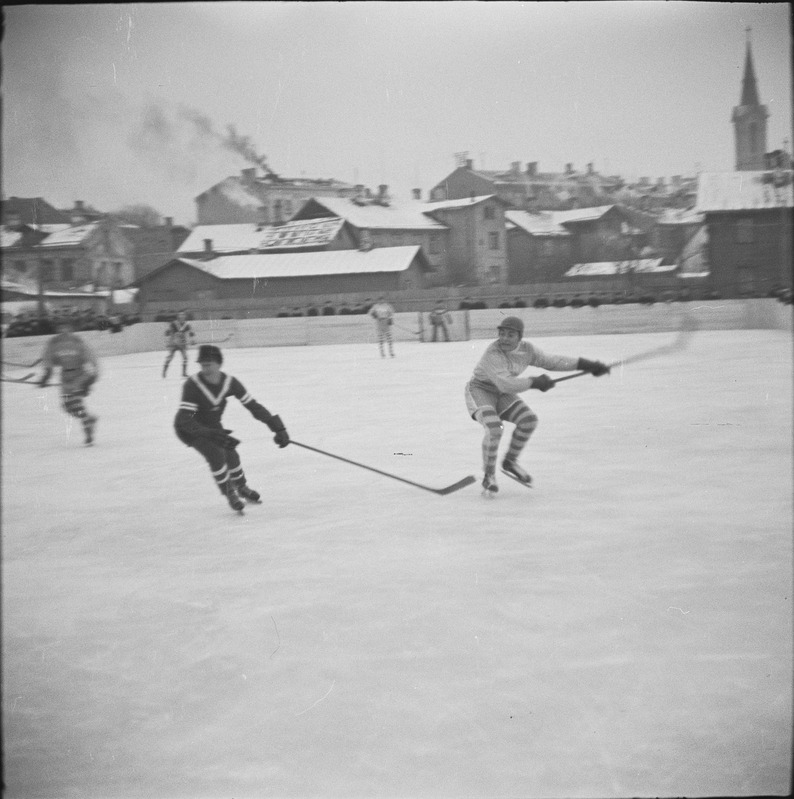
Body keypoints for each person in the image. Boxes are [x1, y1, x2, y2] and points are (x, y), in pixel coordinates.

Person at [464, 316, 610, 497]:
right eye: (501, 334)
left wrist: (587, 365)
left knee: (528, 420)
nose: (504, 339)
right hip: (480, 390)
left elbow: (553, 361)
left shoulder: (527, 350)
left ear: (520, 337)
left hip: (502, 394)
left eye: (510, 335)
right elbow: (505, 384)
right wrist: (534, 382)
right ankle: (489, 475)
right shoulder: (493, 353)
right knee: (494, 428)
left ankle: (510, 461)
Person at [174, 345, 290, 514]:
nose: (205, 369)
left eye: (209, 364)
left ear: (219, 364)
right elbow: (185, 418)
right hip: (189, 429)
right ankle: (230, 492)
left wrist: (277, 427)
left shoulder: (230, 383)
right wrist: (209, 433)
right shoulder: (193, 385)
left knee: (231, 452)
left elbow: (253, 406)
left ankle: (241, 487)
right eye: (202, 365)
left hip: (212, 425)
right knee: (215, 454)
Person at [38, 318, 100, 446]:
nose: (63, 330)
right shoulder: (54, 343)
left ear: (71, 328)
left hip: (80, 374)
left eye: (66, 327)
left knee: (76, 401)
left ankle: (87, 428)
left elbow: (92, 360)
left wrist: (89, 382)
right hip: (65, 376)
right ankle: (89, 419)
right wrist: (46, 376)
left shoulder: (78, 341)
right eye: (60, 327)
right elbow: (48, 359)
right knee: (67, 407)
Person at [163, 311, 196, 378]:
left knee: (185, 358)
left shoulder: (187, 325)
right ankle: (164, 371)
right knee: (170, 357)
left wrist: (192, 340)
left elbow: (191, 333)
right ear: (178, 316)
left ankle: (184, 373)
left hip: (182, 343)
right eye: (180, 315)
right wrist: (168, 339)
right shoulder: (174, 324)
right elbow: (167, 332)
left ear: (185, 316)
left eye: (183, 315)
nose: (182, 316)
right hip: (173, 343)